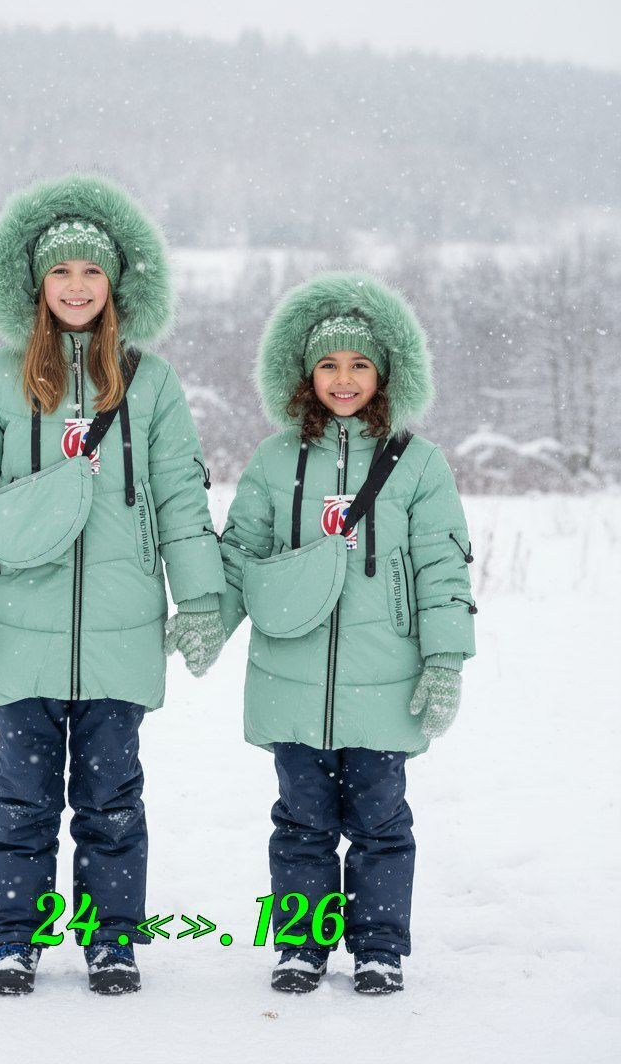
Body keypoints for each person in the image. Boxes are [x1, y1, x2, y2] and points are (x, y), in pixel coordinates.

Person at [0, 173, 226, 996]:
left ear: (115, 283)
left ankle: (110, 941)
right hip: (17, 624)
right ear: (37, 284)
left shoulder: (151, 383)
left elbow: (180, 499)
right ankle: (11, 941)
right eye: (62, 273)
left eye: (91, 272)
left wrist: (199, 598)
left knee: (112, 800)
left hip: (122, 629)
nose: (78, 287)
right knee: (20, 799)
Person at [218, 270, 477, 996]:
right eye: (329, 364)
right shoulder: (275, 460)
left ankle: (379, 947)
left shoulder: (420, 465)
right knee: (300, 821)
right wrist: (211, 614)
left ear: (385, 373)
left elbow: (441, 566)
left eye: (359, 364)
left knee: (380, 821)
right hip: (290, 676)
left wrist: (446, 656)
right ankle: (300, 947)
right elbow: (241, 550)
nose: (343, 378)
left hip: (384, 677)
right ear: (305, 374)